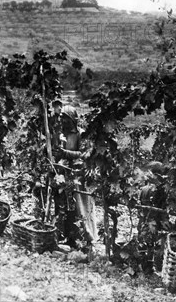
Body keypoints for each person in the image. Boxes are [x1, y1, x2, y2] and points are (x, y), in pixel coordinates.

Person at [53, 105, 97, 249]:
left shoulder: (81, 135)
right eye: (62, 119)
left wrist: (65, 153)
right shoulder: (60, 134)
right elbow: (55, 151)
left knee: (79, 207)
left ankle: (82, 237)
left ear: (73, 119)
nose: (63, 122)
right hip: (63, 174)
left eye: (66, 119)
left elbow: (85, 154)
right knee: (63, 206)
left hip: (78, 175)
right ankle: (66, 235)